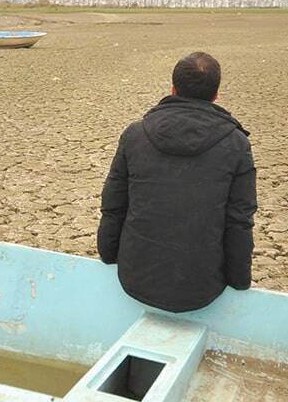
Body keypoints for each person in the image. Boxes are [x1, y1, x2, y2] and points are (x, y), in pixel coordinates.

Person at [97, 51, 256, 311]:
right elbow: (239, 219)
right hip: (202, 287)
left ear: (173, 89)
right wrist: (240, 281)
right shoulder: (236, 144)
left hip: (134, 276)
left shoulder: (135, 135)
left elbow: (114, 203)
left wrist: (108, 255)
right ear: (215, 94)